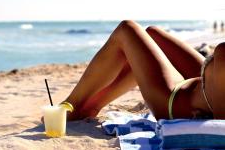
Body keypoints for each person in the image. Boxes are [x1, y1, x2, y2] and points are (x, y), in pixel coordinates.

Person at [60, 20, 225, 121]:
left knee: (126, 29)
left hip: (177, 103)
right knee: (152, 34)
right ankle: (91, 106)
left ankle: (71, 107)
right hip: (203, 85)